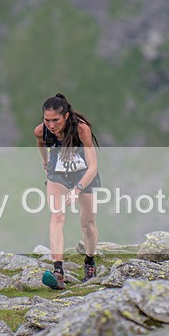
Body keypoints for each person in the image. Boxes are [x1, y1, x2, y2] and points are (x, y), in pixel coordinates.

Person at [34, 93, 101, 290]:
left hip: (84, 176)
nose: (51, 125)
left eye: (55, 120)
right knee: (57, 216)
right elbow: (40, 144)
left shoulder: (81, 129)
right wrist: (45, 162)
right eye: (47, 120)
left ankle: (89, 262)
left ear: (66, 117)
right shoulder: (41, 131)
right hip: (58, 175)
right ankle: (58, 272)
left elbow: (93, 166)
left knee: (87, 224)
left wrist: (77, 189)